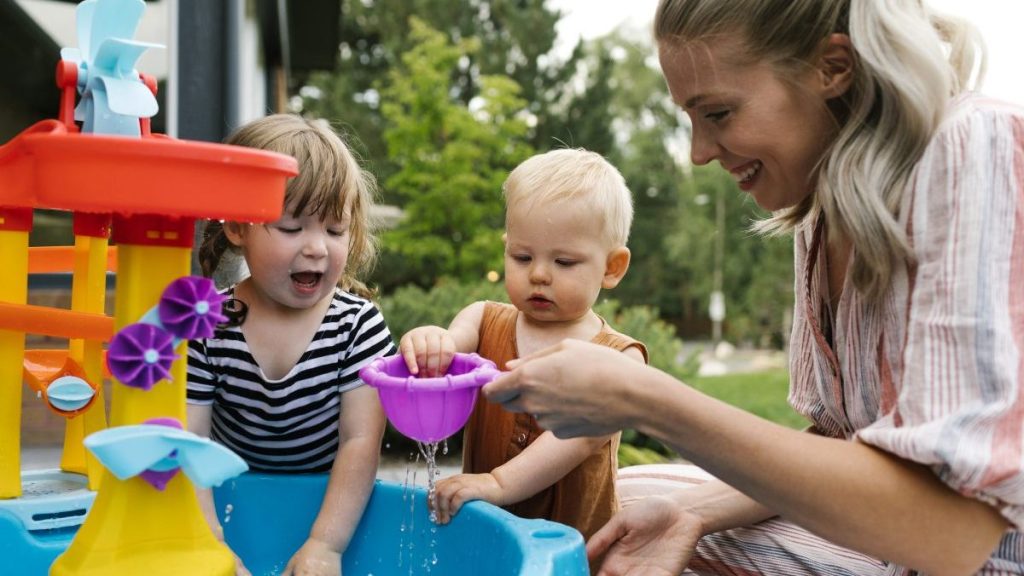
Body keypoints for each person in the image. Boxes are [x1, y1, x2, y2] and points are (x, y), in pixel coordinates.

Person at [482, 1, 1024, 574]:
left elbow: (952, 530)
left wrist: (644, 398)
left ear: (832, 68)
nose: (697, 153)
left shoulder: (973, 144)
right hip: (895, 553)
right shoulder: (822, 209)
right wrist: (696, 512)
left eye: (717, 112)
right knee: (629, 509)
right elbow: (840, 444)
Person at [398, 149, 649, 547]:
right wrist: (429, 341)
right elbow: (445, 352)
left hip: (573, 551)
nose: (538, 274)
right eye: (522, 256)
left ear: (612, 267)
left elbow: (578, 436)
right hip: (485, 538)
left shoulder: (619, 358)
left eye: (564, 262)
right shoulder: (482, 320)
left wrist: (498, 483)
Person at [186, 114, 396, 576]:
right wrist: (209, 544)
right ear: (238, 227)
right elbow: (189, 442)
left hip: (330, 513)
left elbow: (361, 442)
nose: (317, 247)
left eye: (335, 230)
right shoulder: (208, 325)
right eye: (291, 227)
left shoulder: (357, 327)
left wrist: (325, 545)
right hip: (229, 511)